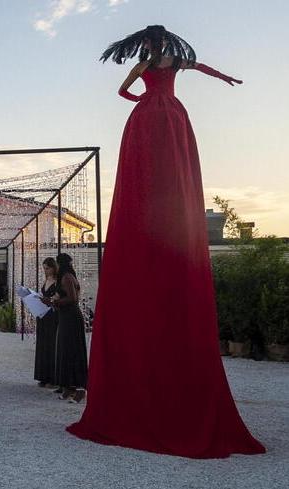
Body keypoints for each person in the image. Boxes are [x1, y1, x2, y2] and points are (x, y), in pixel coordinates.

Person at [66, 25, 265, 458]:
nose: (156, 50)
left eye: (157, 45)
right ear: (152, 46)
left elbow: (180, 73)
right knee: (159, 166)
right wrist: (150, 98)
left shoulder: (167, 66)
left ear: (160, 45)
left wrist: (221, 79)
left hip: (162, 115)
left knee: (169, 164)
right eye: (154, 46)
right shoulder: (161, 68)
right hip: (160, 115)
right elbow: (130, 88)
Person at [42, 254, 88, 403]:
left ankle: (80, 389)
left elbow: (72, 299)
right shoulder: (67, 276)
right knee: (64, 352)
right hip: (66, 317)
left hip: (71, 318)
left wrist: (54, 302)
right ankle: (68, 387)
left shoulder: (67, 277)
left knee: (72, 352)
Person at [34, 258, 59, 388]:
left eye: (48, 268)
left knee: (51, 345)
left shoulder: (58, 281)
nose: (46, 270)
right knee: (42, 344)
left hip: (52, 316)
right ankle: (42, 376)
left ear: (54, 267)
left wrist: (48, 300)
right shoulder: (46, 280)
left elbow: (57, 298)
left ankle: (52, 377)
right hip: (43, 315)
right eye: (44, 268)